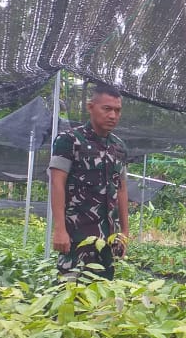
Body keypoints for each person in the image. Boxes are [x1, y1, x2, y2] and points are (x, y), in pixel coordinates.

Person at [48, 83, 129, 280]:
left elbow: (122, 189)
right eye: (107, 109)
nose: (113, 115)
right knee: (70, 294)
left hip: (109, 239)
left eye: (117, 110)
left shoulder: (119, 147)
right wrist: (59, 229)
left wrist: (125, 232)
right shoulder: (69, 141)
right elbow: (56, 183)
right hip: (77, 237)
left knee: (103, 298)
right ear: (90, 107)